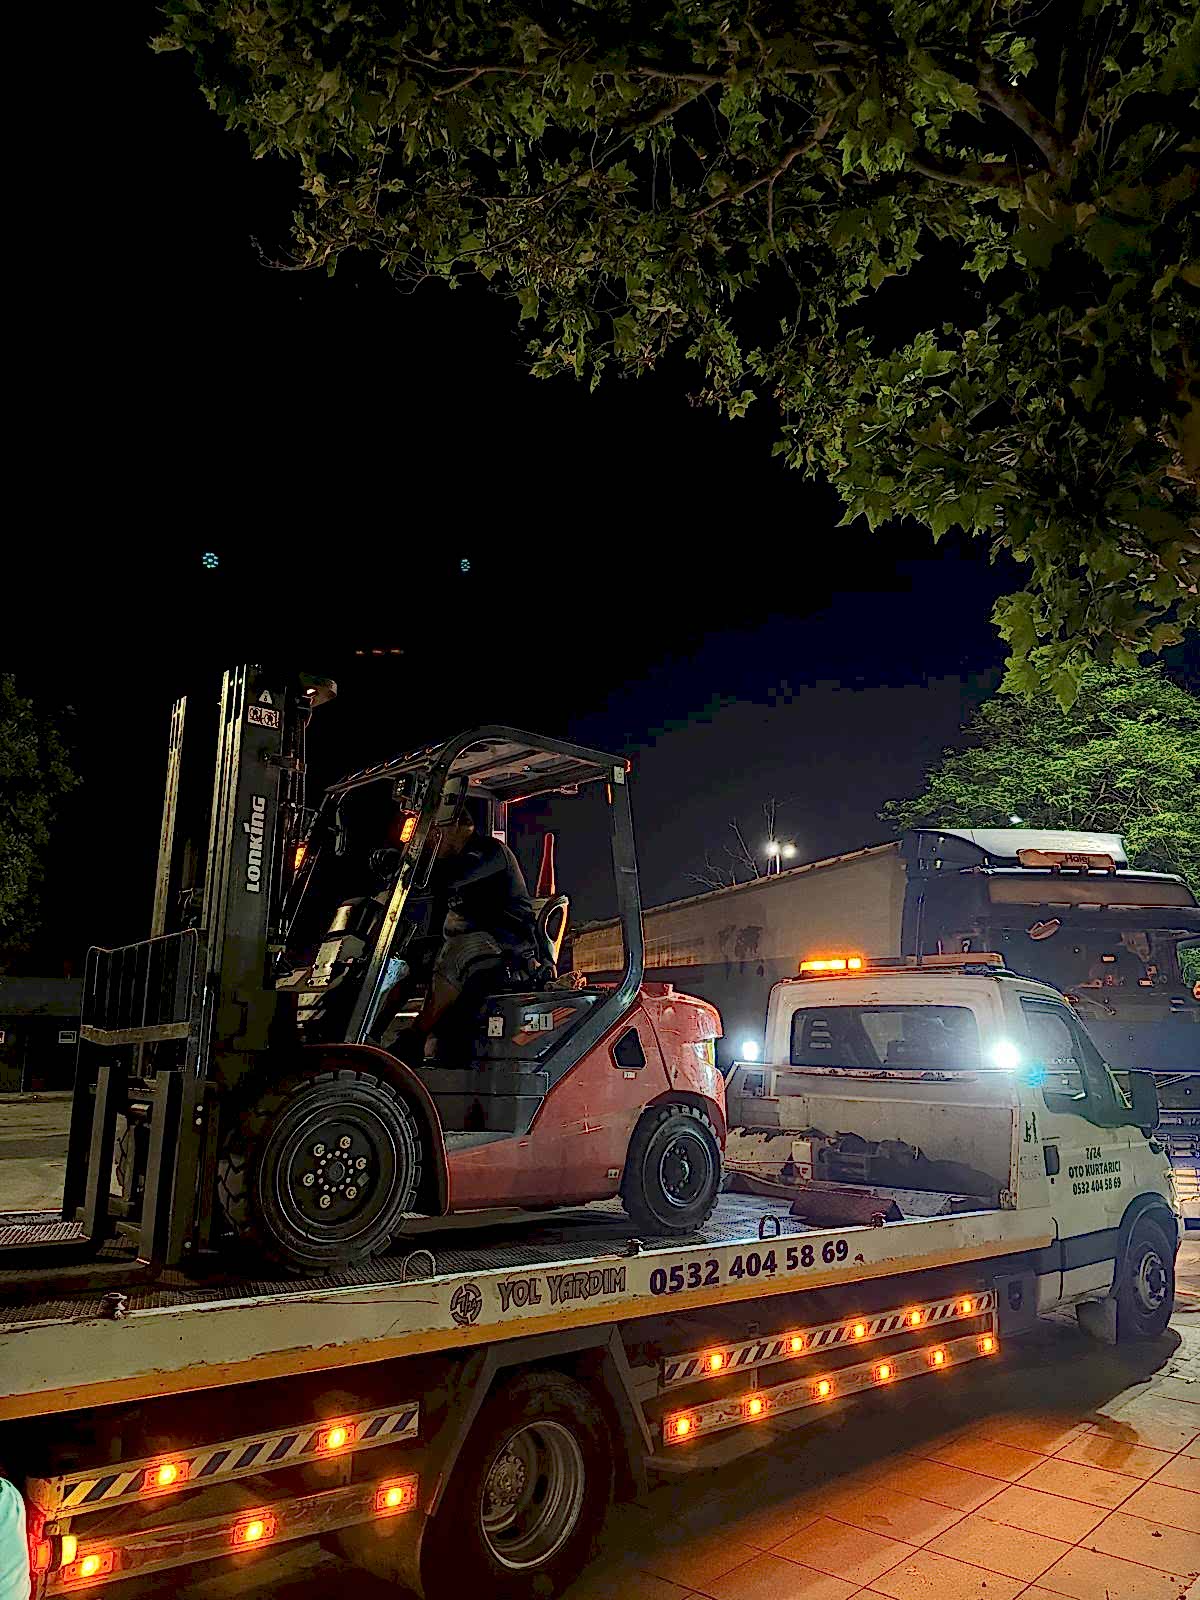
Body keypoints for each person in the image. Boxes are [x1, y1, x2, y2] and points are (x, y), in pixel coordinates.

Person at [390, 798, 540, 1065]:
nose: (432, 838)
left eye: (436, 829)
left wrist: (414, 862)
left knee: (460, 950)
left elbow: (448, 878)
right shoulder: (452, 862)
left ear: (457, 824)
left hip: (508, 946)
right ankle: (369, 1031)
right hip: (479, 947)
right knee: (411, 954)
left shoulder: (489, 853)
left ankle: (414, 1037)